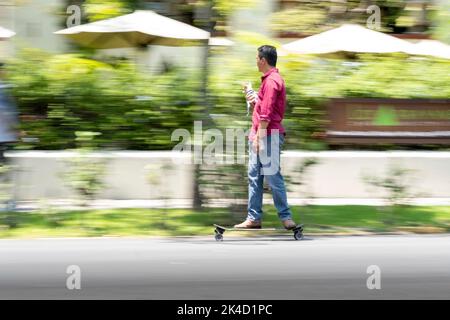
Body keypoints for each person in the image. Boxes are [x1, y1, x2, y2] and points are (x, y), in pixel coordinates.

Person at [234, 45, 297, 230]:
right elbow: (264, 107)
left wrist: (258, 139)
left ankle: (286, 217)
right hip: (261, 133)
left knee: (272, 176)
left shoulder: (272, 81)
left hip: (268, 135)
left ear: (263, 60)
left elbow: (266, 114)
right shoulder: (269, 81)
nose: (255, 61)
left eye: (256, 58)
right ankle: (254, 218)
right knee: (255, 177)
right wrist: (254, 99)